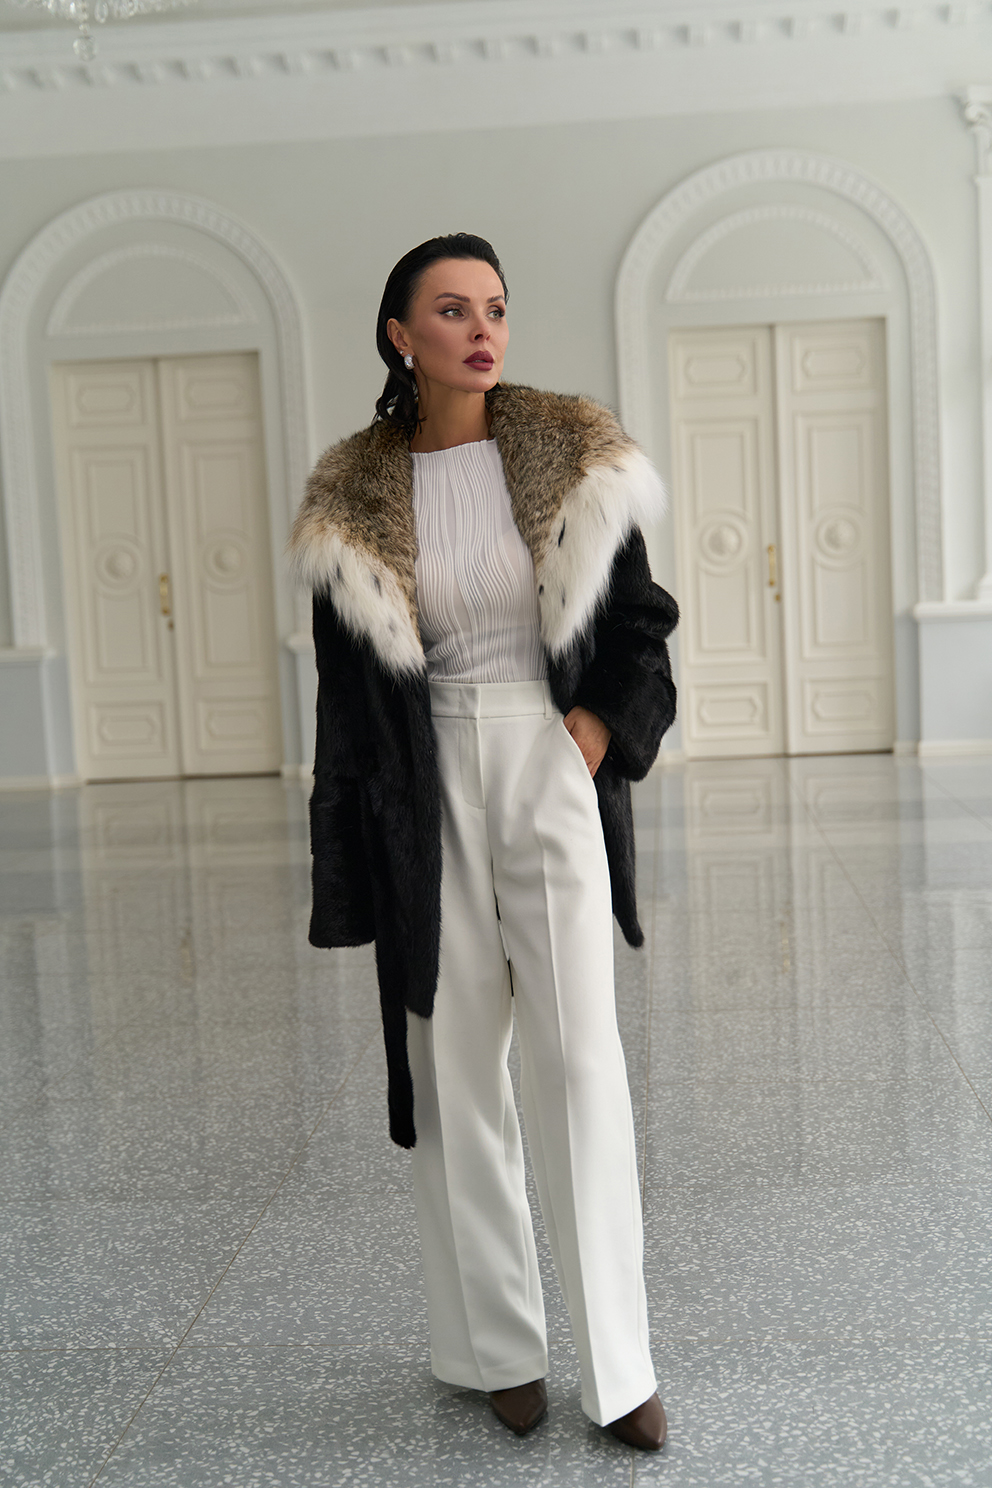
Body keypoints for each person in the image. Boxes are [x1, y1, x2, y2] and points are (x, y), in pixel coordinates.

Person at [290, 233, 678, 1451]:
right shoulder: (351, 496)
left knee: (577, 1060)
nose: (480, 329)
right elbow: (345, 704)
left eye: (494, 308)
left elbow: (639, 626)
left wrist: (591, 733)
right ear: (398, 336)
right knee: (453, 1063)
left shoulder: (573, 453)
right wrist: (347, 858)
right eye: (451, 310)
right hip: (421, 782)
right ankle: (495, 1347)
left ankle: (618, 1364)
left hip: (546, 754)